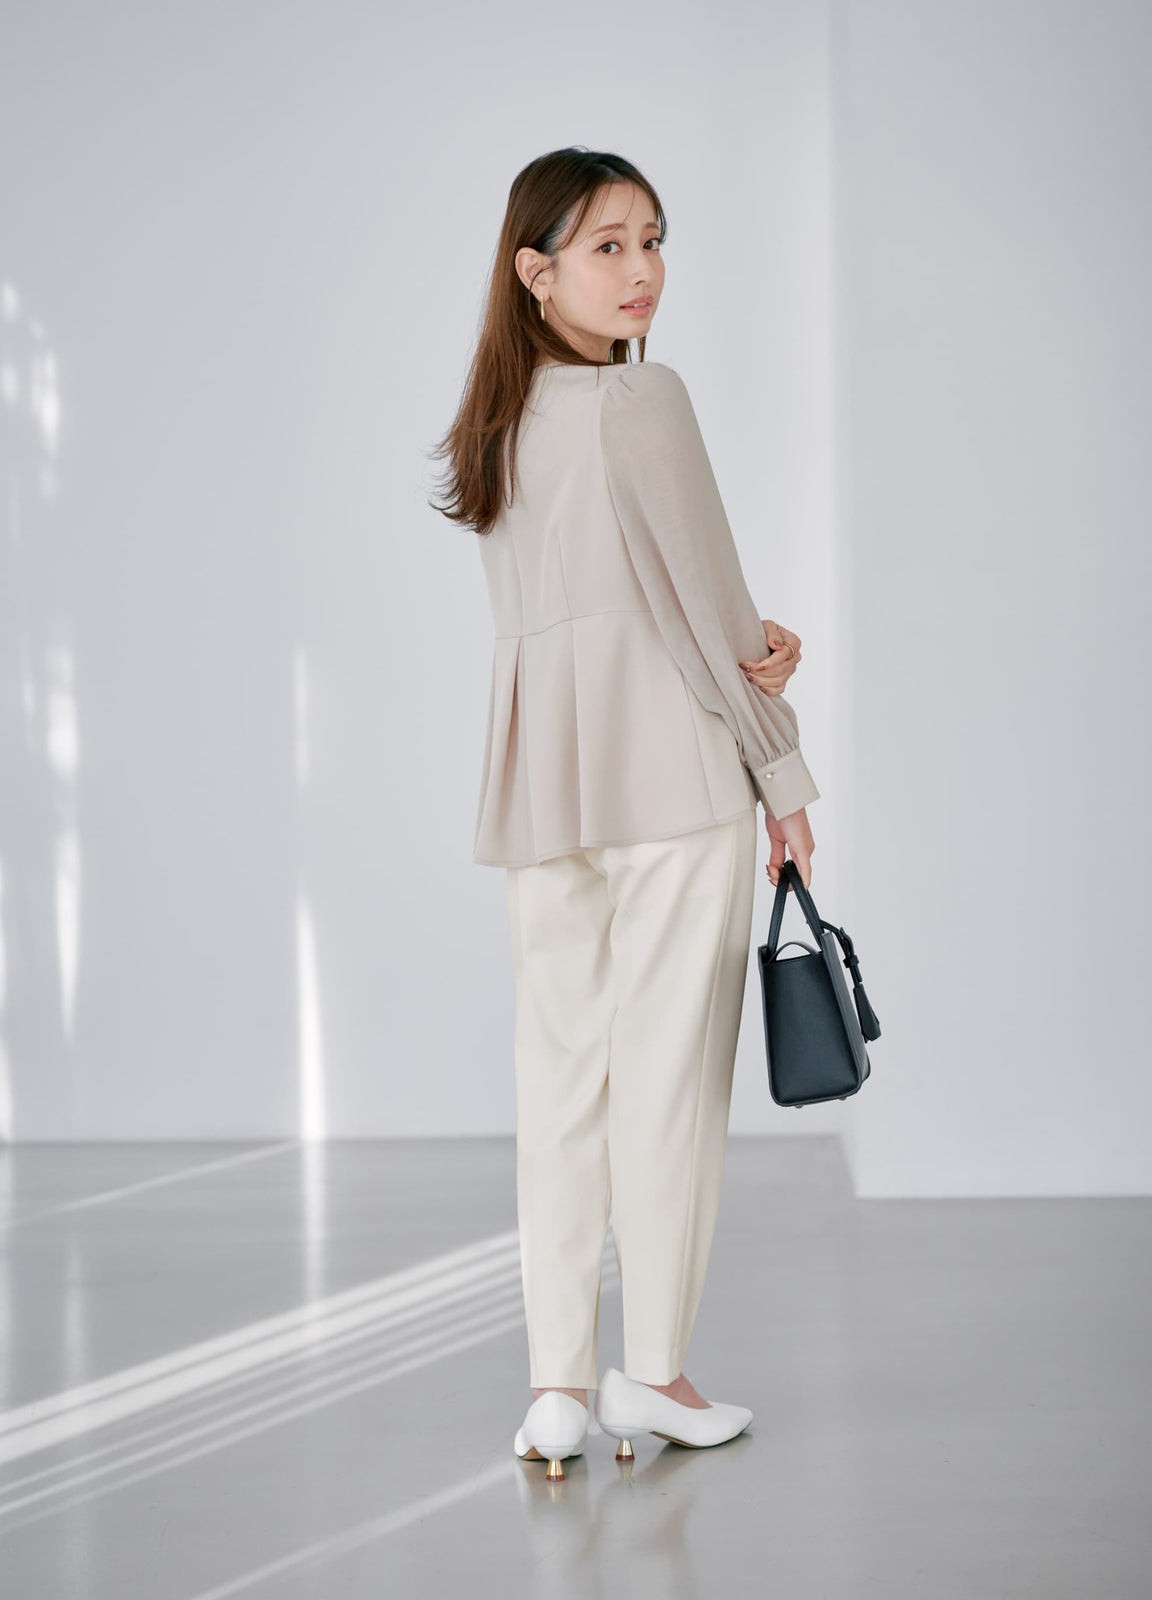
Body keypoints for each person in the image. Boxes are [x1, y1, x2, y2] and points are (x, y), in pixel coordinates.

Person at [429, 147, 820, 1481]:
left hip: (543, 784)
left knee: (558, 1083)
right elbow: (707, 608)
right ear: (535, 271)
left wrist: (742, 636)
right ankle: (651, 1372)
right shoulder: (644, 399)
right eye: (608, 245)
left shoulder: (493, 421)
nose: (643, 269)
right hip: (672, 777)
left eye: (653, 240)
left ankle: (554, 1389)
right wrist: (783, 774)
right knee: (667, 1083)